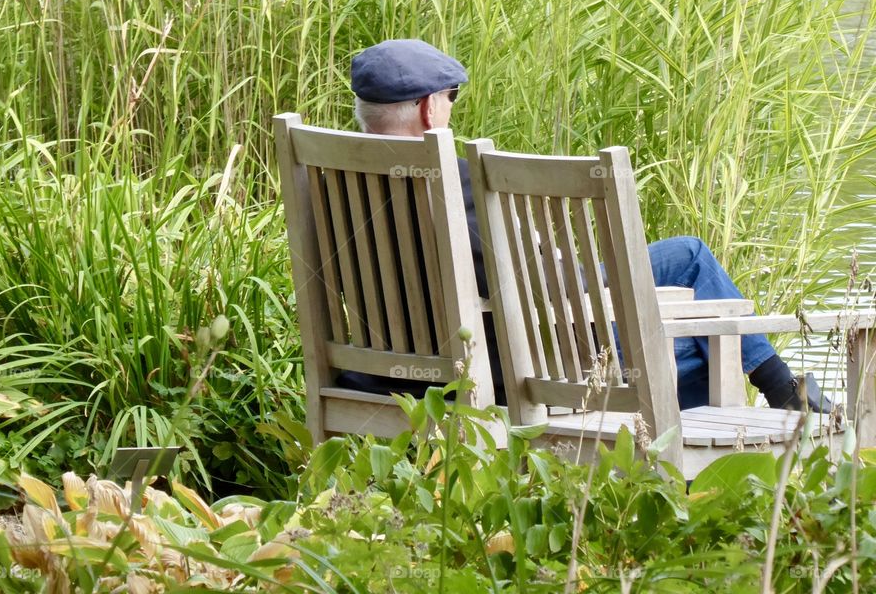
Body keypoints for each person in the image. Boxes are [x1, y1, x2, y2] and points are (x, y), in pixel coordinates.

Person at [343, 38, 829, 412]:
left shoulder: (339, 177)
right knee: (691, 268)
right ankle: (773, 402)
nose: (451, 107)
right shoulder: (450, 178)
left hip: (394, 368)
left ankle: (775, 395)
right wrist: (563, 262)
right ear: (430, 108)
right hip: (515, 360)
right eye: (450, 97)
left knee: (691, 303)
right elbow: (539, 286)